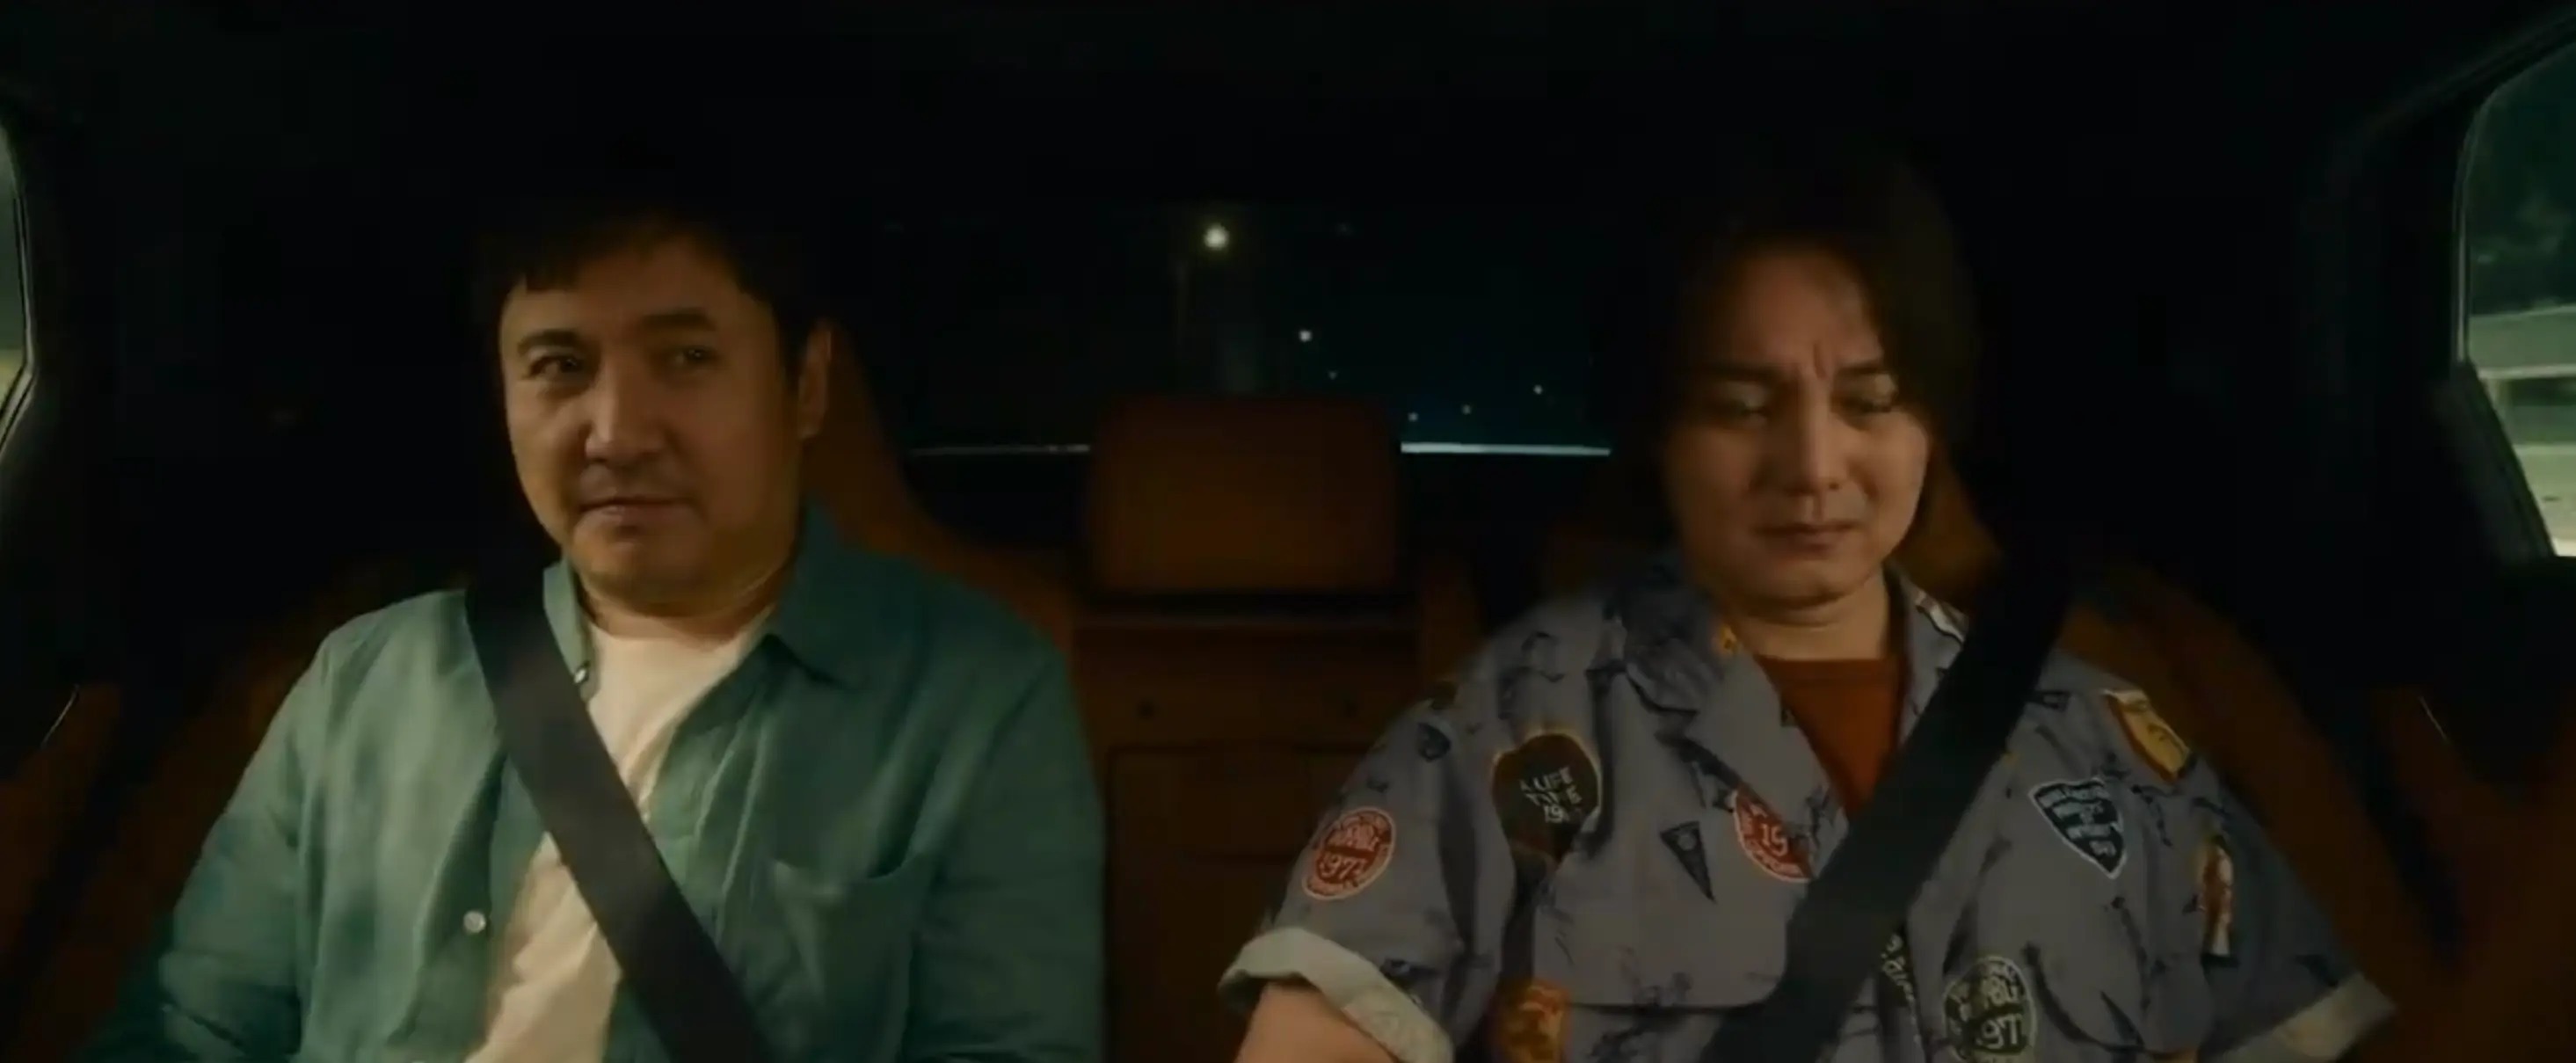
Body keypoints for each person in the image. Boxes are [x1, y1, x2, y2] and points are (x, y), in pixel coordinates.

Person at [1221, 152, 2392, 1062]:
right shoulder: (1506, 729)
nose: (1814, 468)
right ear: (1659, 430)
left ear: (1932, 423)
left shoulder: (2113, 739)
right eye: (1742, 408)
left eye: (1870, 402)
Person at [80, 173, 1105, 1062]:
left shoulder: (974, 697)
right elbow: (191, 1030)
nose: (614, 433)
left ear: (804, 385)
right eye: (559, 367)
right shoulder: (367, 676)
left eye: (686, 359)